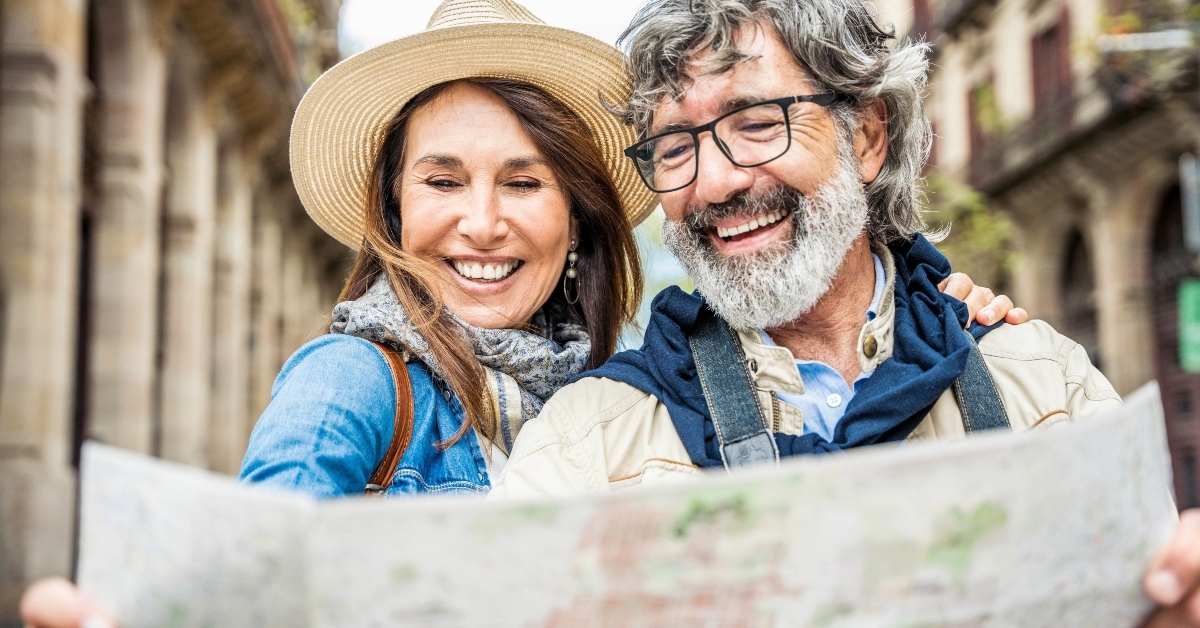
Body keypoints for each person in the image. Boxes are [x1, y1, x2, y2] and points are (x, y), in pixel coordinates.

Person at [18, 0, 1023, 624]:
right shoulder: (350, 381)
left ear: (579, 216)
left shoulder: (615, 391)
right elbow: (250, 591)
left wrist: (955, 326)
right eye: (443, 180)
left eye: (524, 182)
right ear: (394, 206)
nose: (482, 224)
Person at [487, 0, 1200, 623]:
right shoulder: (585, 445)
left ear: (867, 137)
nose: (714, 182)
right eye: (675, 147)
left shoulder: (1046, 385)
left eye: (758, 123)